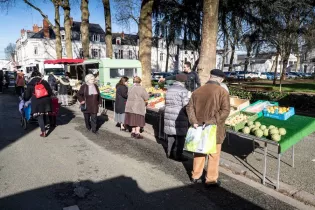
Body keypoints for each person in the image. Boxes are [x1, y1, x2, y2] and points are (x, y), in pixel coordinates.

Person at [186, 69, 230, 187]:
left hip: (198, 127)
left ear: (210, 77)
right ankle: (210, 180)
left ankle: (195, 176)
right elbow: (225, 111)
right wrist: (211, 121)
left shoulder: (197, 91)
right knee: (213, 155)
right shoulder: (222, 92)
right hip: (214, 129)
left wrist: (194, 121)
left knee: (199, 152)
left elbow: (189, 108)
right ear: (220, 79)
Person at [164, 74, 189, 161]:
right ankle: (178, 154)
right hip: (179, 115)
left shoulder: (169, 89)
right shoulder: (183, 90)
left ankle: (169, 153)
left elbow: (166, 102)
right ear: (183, 81)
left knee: (171, 135)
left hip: (168, 114)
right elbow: (186, 105)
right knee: (181, 136)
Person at [24, 71, 54, 137]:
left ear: (32, 76)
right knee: (44, 114)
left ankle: (43, 131)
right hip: (46, 100)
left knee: (39, 116)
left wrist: (25, 99)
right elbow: (50, 92)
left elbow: (27, 95)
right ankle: (46, 124)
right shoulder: (44, 82)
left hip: (36, 101)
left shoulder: (30, 83)